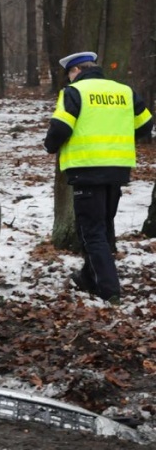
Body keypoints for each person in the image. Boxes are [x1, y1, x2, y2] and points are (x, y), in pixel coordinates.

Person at [44, 51, 153, 304]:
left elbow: (60, 127)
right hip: (117, 169)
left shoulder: (74, 92)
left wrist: (49, 146)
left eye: (70, 74)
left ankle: (109, 289)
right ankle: (88, 277)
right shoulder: (124, 91)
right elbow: (146, 125)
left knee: (92, 232)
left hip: (87, 168)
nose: (69, 79)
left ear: (76, 71)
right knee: (103, 226)